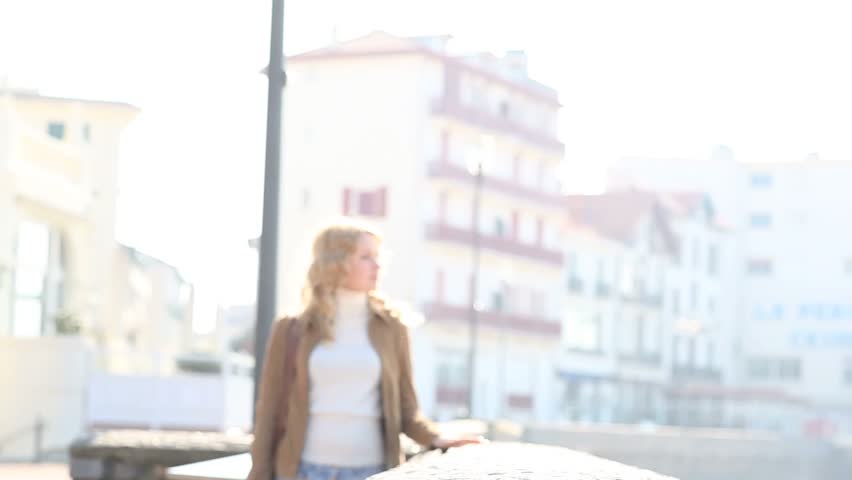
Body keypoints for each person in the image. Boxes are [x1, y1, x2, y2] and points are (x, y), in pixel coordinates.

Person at [248, 221, 484, 480]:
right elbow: (269, 411)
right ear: (336, 262)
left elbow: (407, 409)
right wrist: (259, 471)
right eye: (366, 257)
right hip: (302, 471)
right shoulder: (292, 328)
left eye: (377, 257)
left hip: (373, 472)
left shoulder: (392, 326)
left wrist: (437, 436)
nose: (378, 265)